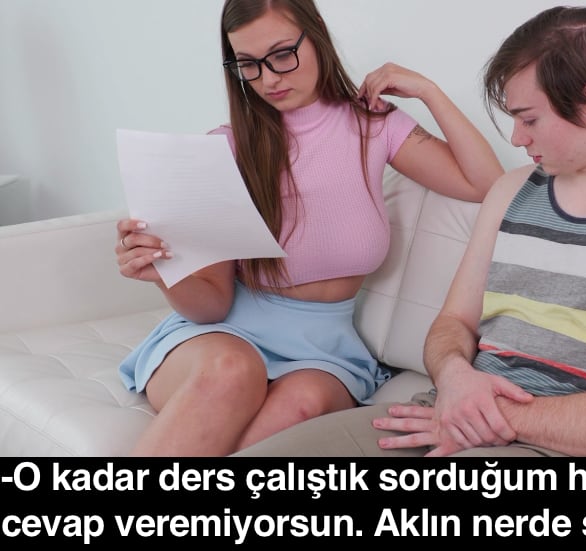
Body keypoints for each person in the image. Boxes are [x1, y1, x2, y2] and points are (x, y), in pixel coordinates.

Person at [235, 5, 586, 458]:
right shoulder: (514, 190)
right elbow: (452, 323)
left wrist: (488, 417)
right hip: (444, 412)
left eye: (529, 120)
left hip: (552, 445)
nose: (517, 138)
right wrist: (455, 375)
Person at [115, 0, 503, 456]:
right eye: (248, 65)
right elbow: (211, 306)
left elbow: (486, 184)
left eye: (282, 55)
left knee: (301, 406)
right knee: (231, 372)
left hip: (325, 350)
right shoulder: (225, 150)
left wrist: (429, 91)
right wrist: (165, 273)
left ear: (315, 31)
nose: (269, 79)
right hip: (221, 339)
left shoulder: (373, 124)